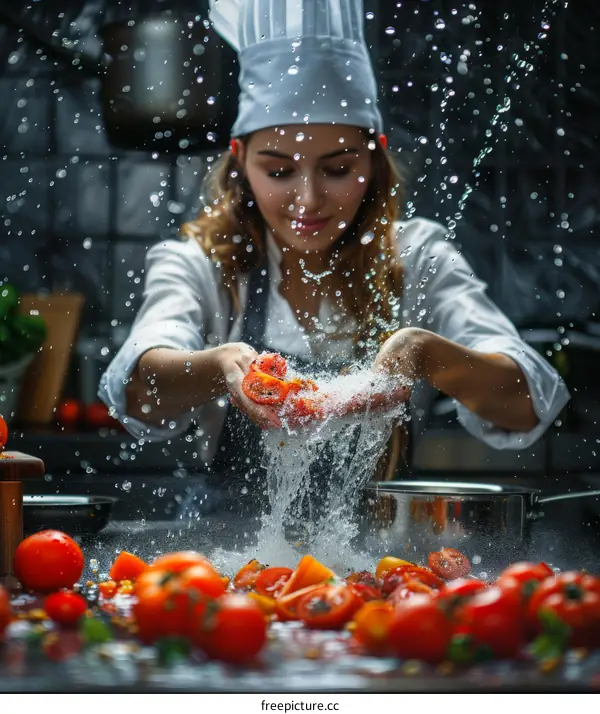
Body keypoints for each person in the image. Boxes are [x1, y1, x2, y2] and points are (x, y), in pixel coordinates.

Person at [99, 0, 569, 511]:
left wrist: (421, 355)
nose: (308, 199)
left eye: (338, 169)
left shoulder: (418, 256)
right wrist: (223, 366)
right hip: (238, 567)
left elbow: (526, 403)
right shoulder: (200, 265)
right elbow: (139, 390)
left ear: (375, 156)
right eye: (278, 172)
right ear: (240, 160)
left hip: (387, 564)